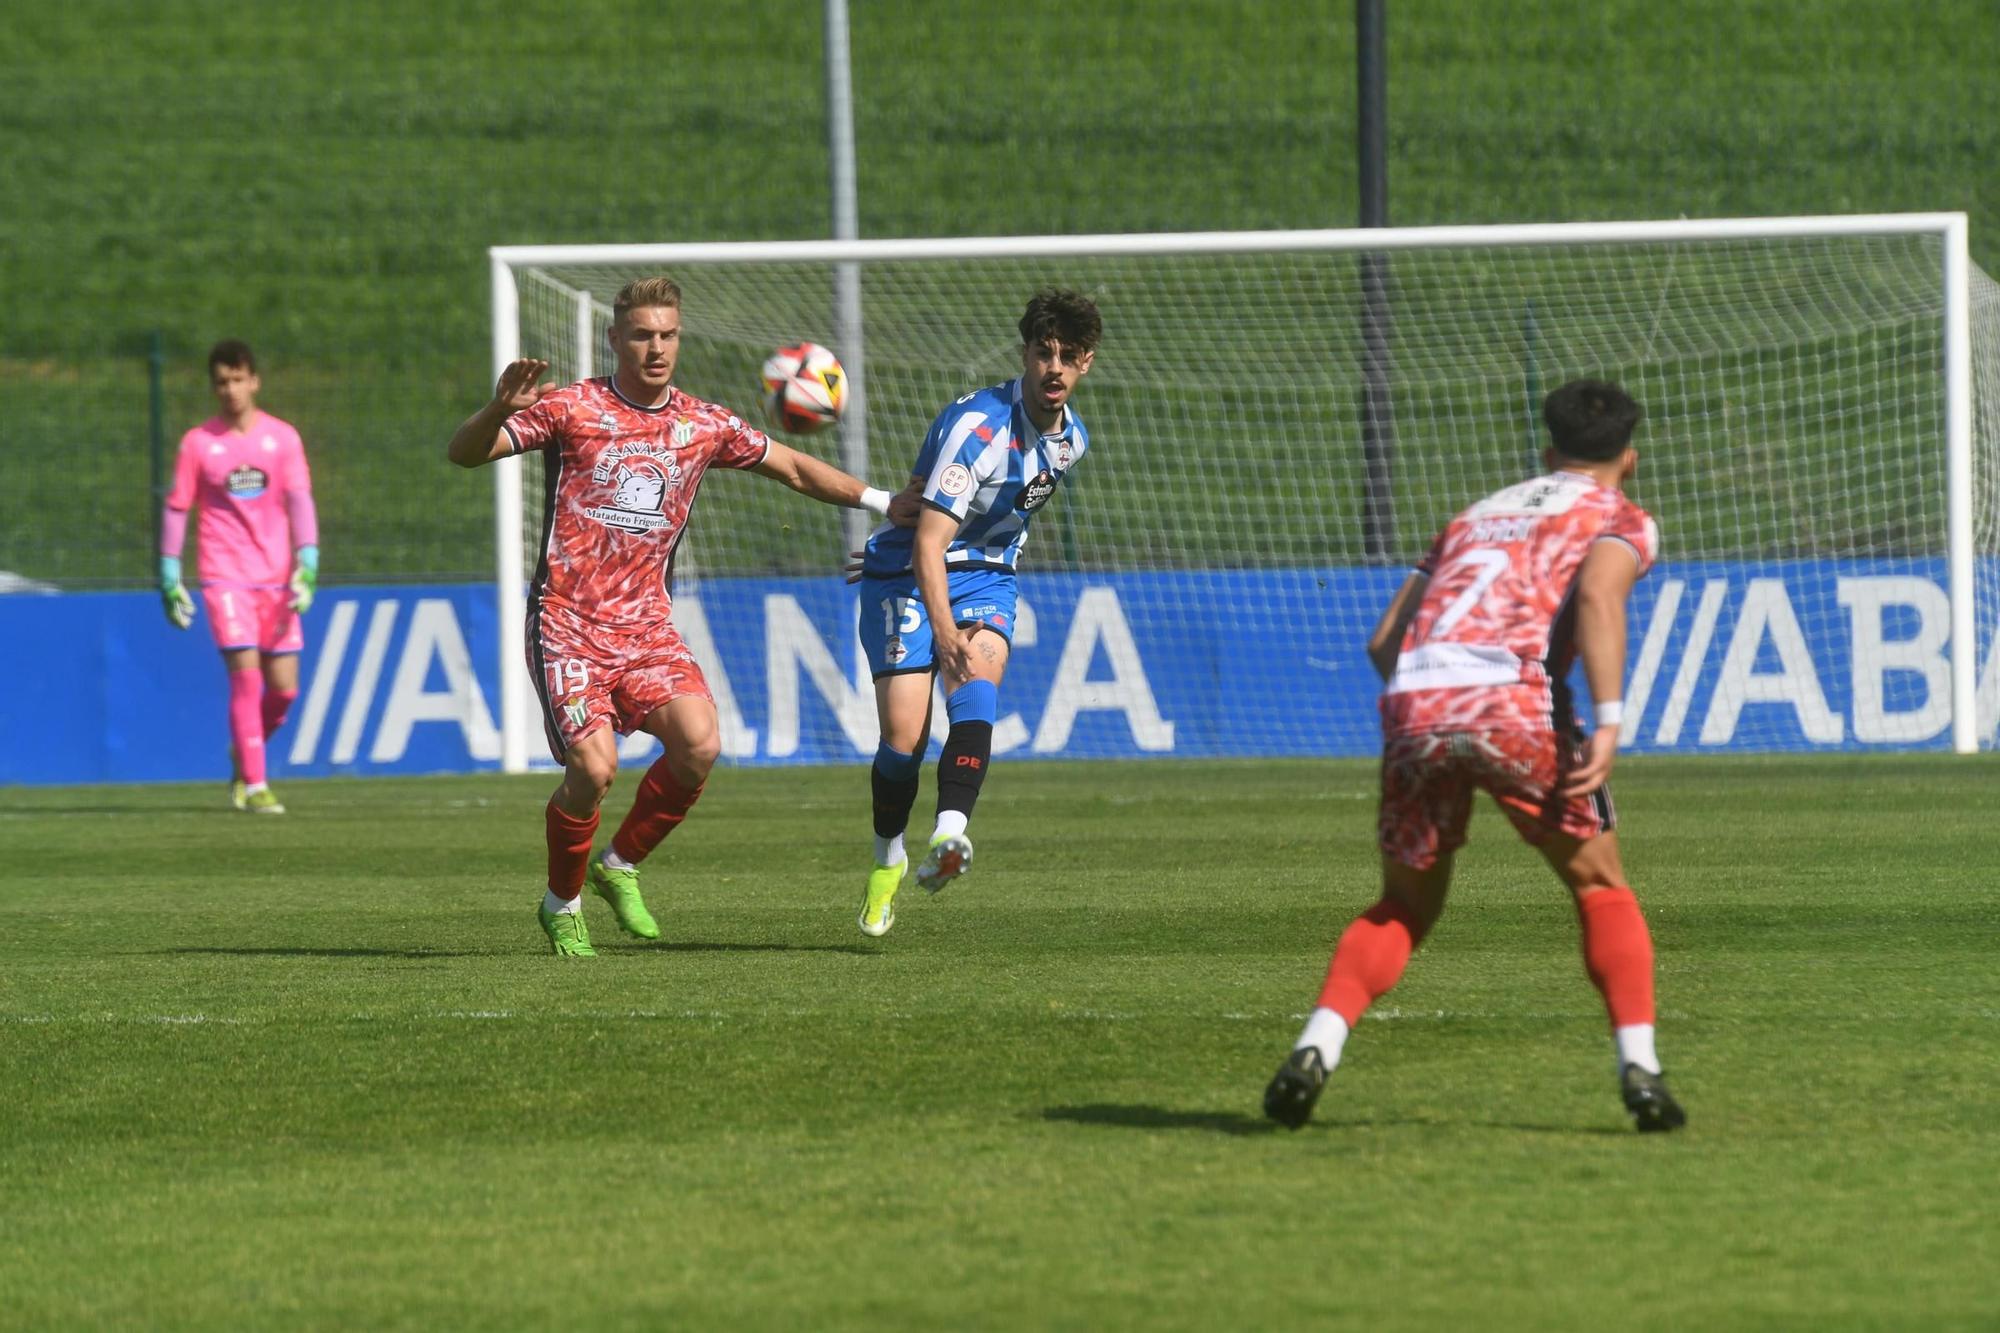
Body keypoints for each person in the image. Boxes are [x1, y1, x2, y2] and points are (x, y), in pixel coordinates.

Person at [1263, 378, 1687, 1133]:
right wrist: (1612, 720)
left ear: (1546, 452)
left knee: (1403, 905)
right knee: (1600, 885)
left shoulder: (1472, 516)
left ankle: (1316, 1044)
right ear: (1632, 457)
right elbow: (1597, 596)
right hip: (1516, 698)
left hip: (1418, 699)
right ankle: (1642, 1069)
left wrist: (1434, 712)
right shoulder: (1621, 516)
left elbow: (1383, 643)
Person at [448, 276, 899, 957]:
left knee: (699, 743)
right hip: (567, 622)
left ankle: (619, 864)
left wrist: (885, 501)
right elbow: (465, 452)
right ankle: (561, 902)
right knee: (594, 769)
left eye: (667, 334)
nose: (656, 348)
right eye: (641, 335)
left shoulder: (702, 425)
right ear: (615, 339)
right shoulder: (572, 408)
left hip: (646, 627)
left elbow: (798, 471)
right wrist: (495, 409)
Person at [851, 288, 1103, 938]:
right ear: (1024, 352)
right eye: (1043, 352)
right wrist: (941, 628)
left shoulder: (1071, 442)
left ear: (1087, 363)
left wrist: (970, 622)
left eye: (1068, 356)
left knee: (977, 683)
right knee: (903, 740)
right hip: (910, 572)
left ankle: (950, 833)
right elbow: (930, 540)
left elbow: (1020, 505)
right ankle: (888, 858)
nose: (1054, 367)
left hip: (988, 575)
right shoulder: (977, 430)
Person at [160, 340, 319, 815]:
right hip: (224, 577)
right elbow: (177, 507)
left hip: (276, 578)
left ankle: (244, 751)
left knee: (284, 689)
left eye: (237, 379)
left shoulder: (283, 439)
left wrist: (308, 564)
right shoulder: (199, 443)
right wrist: (169, 574)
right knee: (246, 681)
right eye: (221, 382)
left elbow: (299, 501)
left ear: (254, 381)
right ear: (214, 387)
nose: (230, 389)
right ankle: (254, 784)